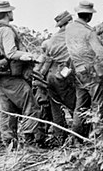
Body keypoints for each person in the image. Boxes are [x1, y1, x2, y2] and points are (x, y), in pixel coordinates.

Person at [0, 1, 44, 148]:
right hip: (11, 78)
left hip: (0, 78)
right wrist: (30, 56)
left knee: (7, 111)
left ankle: (10, 145)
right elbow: (11, 52)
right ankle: (30, 143)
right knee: (31, 106)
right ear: (8, 13)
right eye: (11, 11)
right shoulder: (6, 30)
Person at [65, 1, 103, 138]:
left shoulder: (69, 28)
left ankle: (77, 137)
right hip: (91, 71)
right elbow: (100, 53)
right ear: (89, 16)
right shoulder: (89, 33)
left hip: (78, 71)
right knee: (98, 103)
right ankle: (99, 136)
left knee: (81, 106)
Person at [34, 10, 76, 146]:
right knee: (76, 106)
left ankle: (59, 138)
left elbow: (45, 59)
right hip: (64, 75)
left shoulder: (51, 40)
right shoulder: (71, 36)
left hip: (50, 78)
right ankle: (79, 137)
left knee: (55, 108)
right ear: (69, 22)